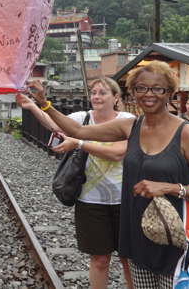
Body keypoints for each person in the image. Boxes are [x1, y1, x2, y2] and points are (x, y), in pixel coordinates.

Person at [19, 61, 189, 288]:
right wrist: (44, 104)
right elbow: (77, 131)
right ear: (133, 93)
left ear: (169, 93)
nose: (149, 94)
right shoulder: (130, 126)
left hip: (176, 236)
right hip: (136, 231)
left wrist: (169, 188)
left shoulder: (187, 133)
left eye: (157, 88)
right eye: (141, 88)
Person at [17, 77, 134, 289]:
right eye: (94, 92)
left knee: (129, 259)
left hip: (124, 199)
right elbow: (55, 123)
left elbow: (117, 154)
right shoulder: (83, 117)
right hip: (90, 199)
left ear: (116, 97)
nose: (96, 97)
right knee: (99, 260)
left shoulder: (127, 119)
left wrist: (79, 143)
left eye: (102, 93)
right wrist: (33, 106)